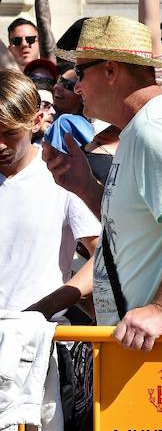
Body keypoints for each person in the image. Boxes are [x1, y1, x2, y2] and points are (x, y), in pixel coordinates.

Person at [47, 15, 162, 351]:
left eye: (81, 73)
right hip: (144, 341)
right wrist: (85, 186)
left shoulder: (155, 125)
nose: (77, 86)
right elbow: (137, 227)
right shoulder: (144, 125)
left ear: (111, 70)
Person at [0, 69, 100, 320]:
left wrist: (46, 308)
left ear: (36, 121)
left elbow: (103, 255)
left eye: (10, 133)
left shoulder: (61, 175)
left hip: (39, 343)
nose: (0, 144)